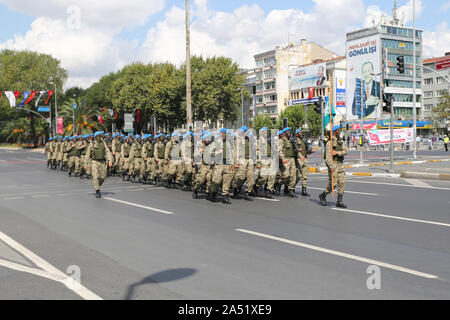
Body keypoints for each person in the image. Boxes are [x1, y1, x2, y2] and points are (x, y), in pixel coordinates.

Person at [319, 125, 348, 208]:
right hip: (333, 164)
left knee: (342, 183)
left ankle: (339, 201)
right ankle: (323, 195)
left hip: (340, 164)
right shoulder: (329, 142)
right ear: (335, 131)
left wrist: (338, 153)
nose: (339, 132)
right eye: (338, 130)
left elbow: (345, 151)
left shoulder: (341, 141)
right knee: (333, 184)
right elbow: (328, 158)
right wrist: (331, 167)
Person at [84, 132, 113, 198]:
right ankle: (97, 190)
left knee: (103, 177)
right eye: (98, 136)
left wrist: (110, 161)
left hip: (103, 162)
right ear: (96, 137)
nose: (100, 137)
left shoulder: (103, 143)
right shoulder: (92, 144)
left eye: (100, 136)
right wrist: (85, 163)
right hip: (95, 162)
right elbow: (87, 154)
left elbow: (108, 152)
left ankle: (97, 185)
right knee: (95, 176)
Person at [278, 127, 298, 198]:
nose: (289, 132)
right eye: (287, 131)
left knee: (293, 175)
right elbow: (279, 151)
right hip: (286, 159)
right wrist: (283, 158)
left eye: (289, 131)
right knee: (286, 175)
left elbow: (295, 150)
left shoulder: (292, 140)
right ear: (284, 133)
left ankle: (291, 190)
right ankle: (278, 183)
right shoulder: (281, 141)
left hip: (292, 159)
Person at [295, 128, 312, 197]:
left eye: (301, 132)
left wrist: (309, 151)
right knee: (298, 175)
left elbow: (306, 149)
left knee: (305, 175)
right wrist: (300, 156)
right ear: (297, 133)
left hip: (305, 158)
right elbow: (296, 150)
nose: (301, 133)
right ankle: (291, 187)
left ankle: (304, 190)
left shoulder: (303, 140)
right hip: (299, 159)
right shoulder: (295, 141)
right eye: (300, 132)